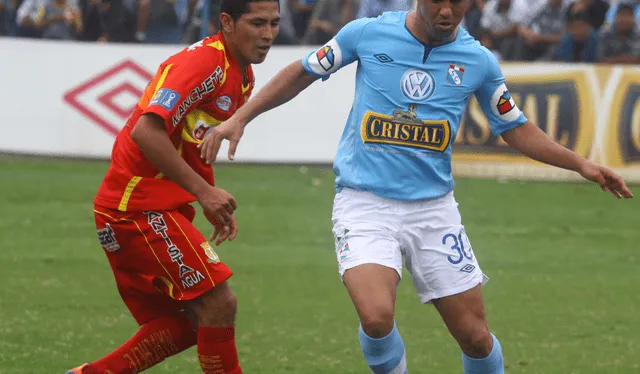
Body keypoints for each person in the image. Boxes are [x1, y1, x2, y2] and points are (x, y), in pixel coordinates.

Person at [198, 0, 634, 373]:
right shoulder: (367, 34)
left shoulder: (478, 61)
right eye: (437, 1)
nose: (446, 11)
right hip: (364, 203)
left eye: (458, 3)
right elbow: (302, 72)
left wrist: (581, 165)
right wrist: (241, 117)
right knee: (376, 317)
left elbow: (514, 127)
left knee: (477, 339)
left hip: (433, 211)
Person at [66, 0, 280, 373]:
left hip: (152, 206)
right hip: (134, 205)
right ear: (226, 22)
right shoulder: (203, 65)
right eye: (258, 23)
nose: (268, 35)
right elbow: (146, 131)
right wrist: (205, 193)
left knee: (197, 318)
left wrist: (210, 199)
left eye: (275, 24)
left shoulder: (240, 74)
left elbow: (190, 144)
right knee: (219, 304)